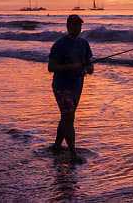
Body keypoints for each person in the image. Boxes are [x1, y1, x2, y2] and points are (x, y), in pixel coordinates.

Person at [47, 14, 93, 163]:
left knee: (67, 116)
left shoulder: (84, 43)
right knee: (69, 117)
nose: (77, 28)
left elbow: (89, 63)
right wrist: (70, 67)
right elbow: (51, 67)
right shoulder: (59, 44)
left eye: (79, 25)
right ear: (68, 26)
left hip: (77, 85)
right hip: (62, 86)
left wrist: (89, 68)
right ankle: (72, 153)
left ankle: (57, 146)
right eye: (74, 25)